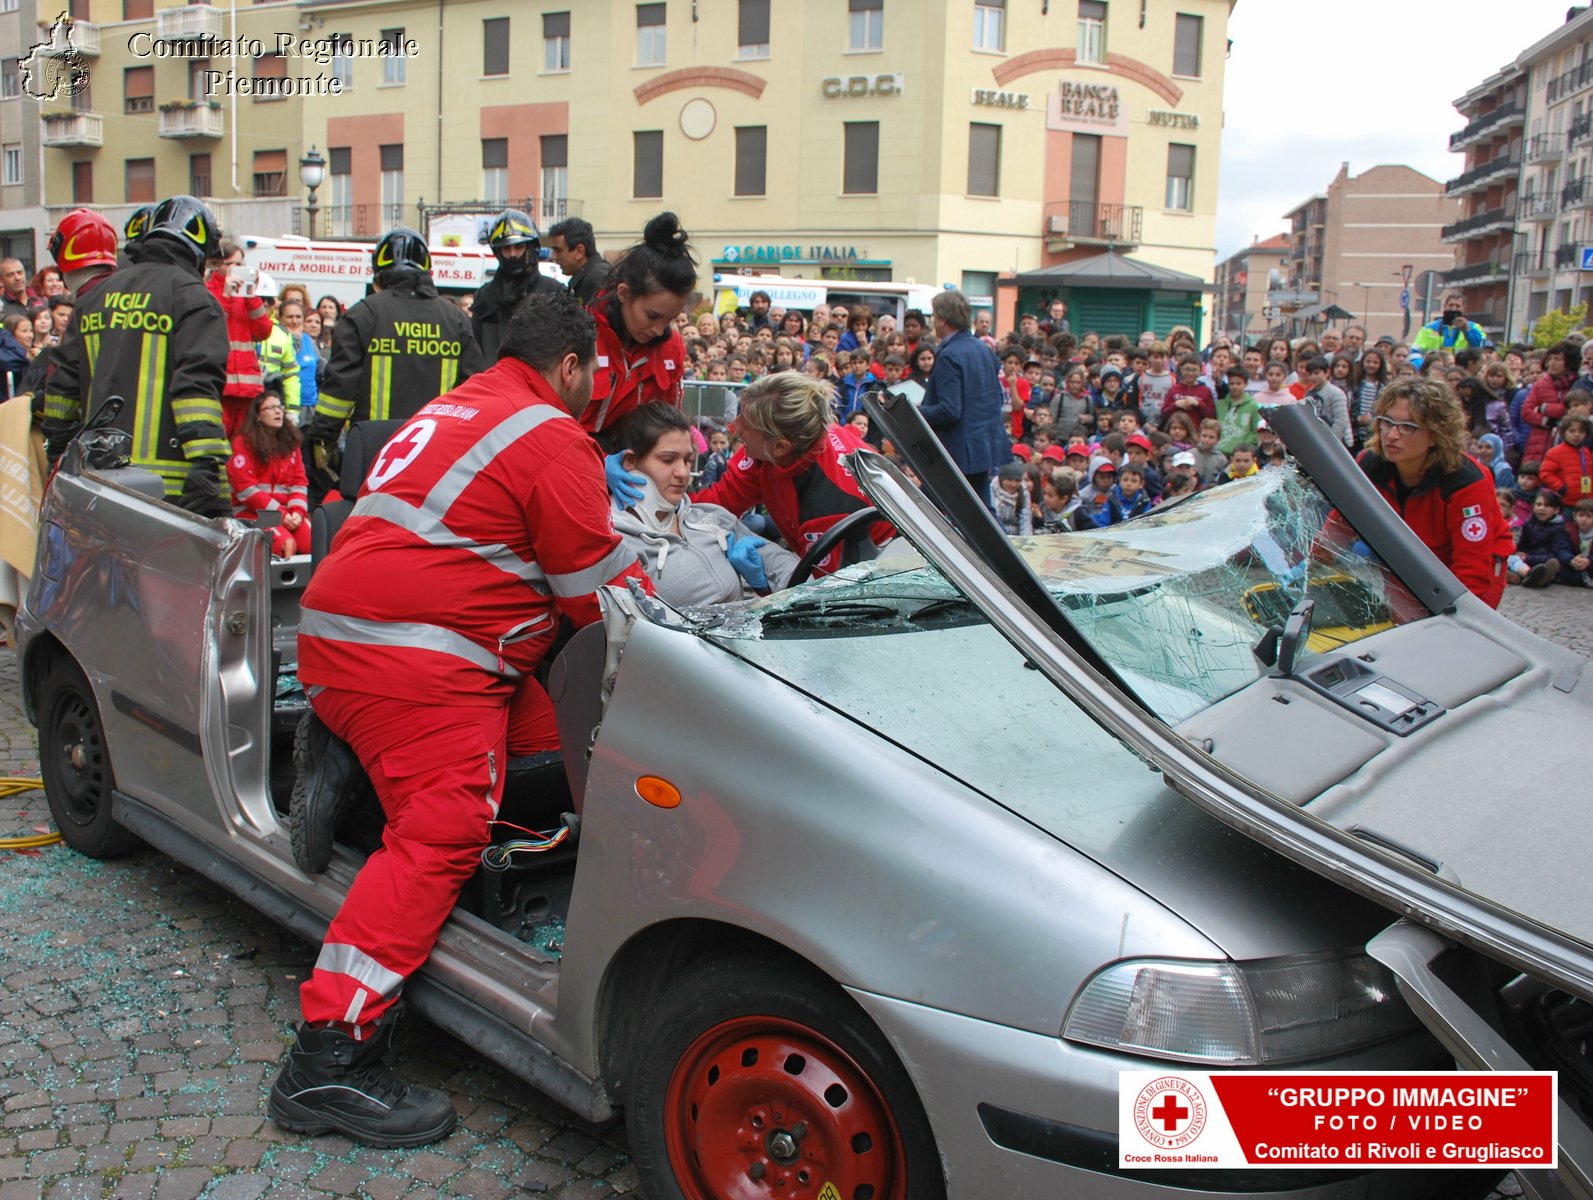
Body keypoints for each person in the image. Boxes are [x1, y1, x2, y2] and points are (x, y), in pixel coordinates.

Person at [271, 289, 652, 1147]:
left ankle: (348, 750)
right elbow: (606, 608)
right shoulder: (552, 435)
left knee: (547, 738)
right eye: (593, 372)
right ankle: (329, 1057)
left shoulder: (456, 407)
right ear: (569, 367)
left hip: (342, 645)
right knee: (445, 827)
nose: (596, 387)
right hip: (416, 662)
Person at [41, 195, 230, 509]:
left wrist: (56, 454)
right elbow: (196, 386)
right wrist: (207, 462)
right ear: (196, 251)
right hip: (169, 487)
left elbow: (62, 386)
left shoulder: (94, 297)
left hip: (95, 479)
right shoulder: (192, 296)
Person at [307, 227, 482, 457]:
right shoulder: (455, 319)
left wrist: (323, 437)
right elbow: (474, 388)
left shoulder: (363, 315)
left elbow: (339, 391)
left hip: (374, 449)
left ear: (379, 271)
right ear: (428, 270)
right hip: (436, 449)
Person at [608, 402, 797, 606]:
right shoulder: (618, 541)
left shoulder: (711, 516)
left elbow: (787, 566)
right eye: (668, 459)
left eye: (688, 460)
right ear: (630, 462)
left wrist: (778, 591)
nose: (683, 473)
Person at [1348, 379, 1513, 608]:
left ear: (1436, 434)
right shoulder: (1371, 463)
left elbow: (1473, 569)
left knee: (1459, 629)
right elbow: (1340, 522)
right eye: (1387, 422)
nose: (1392, 435)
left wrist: (1452, 618)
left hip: (1476, 561)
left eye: (1408, 426)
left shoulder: (1466, 479)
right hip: (1413, 557)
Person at [582, 212, 694, 441]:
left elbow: (669, 429)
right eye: (652, 316)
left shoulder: (671, 348)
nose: (658, 330)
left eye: (670, 320)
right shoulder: (580, 337)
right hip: (574, 462)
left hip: (638, 464)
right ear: (624, 293)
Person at [917, 289, 1008, 499]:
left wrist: (917, 410)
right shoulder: (982, 348)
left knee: (925, 511)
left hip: (958, 449)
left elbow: (950, 410)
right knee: (982, 511)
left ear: (942, 319)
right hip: (980, 445)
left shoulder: (950, 354)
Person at [203, 238, 277, 438]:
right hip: (221, 383)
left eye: (241, 265)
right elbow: (210, 327)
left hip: (246, 386)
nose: (237, 269)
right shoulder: (207, 291)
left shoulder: (247, 297)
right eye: (232, 264)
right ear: (219, 265)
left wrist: (251, 297)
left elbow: (263, 332)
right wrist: (226, 296)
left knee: (242, 444)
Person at [472, 208, 565, 364]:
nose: (513, 254)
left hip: (537, 385)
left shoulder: (555, 293)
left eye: (518, 247)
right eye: (506, 248)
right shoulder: (485, 296)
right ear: (498, 252)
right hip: (494, 384)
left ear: (531, 248)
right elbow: (475, 351)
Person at [227, 385, 310, 558]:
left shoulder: (291, 444)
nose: (278, 411)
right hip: (251, 511)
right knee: (285, 545)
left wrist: (297, 512)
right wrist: (280, 513)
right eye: (271, 408)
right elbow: (246, 490)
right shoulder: (243, 443)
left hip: (286, 512)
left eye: (280, 407)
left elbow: (299, 483)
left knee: (314, 542)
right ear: (257, 415)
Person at [252, 273, 302, 422]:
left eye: (269, 300)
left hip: (271, 397)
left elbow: (291, 375)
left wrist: (292, 410)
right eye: (260, 299)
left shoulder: (282, 334)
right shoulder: (239, 328)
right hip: (244, 397)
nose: (265, 304)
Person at [545, 216, 609, 307]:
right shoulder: (591, 277)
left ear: (579, 251)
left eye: (558, 250)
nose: (553, 257)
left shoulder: (600, 279)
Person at [1411, 292, 1484, 364]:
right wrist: (1424, 367)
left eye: (1458, 306)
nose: (1453, 309)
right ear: (1445, 306)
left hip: (1461, 370)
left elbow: (1478, 346)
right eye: (1451, 305)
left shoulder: (1474, 327)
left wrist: (1466, 330)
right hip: (1435, 369)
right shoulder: (1429, 328)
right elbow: (1415, 353)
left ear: (1464, 308)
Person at [0, 257, 39, 323]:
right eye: (10, 275)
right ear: (1, 281)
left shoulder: (42, 300)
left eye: (20, 272)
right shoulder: (1, 307)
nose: (17, 278)